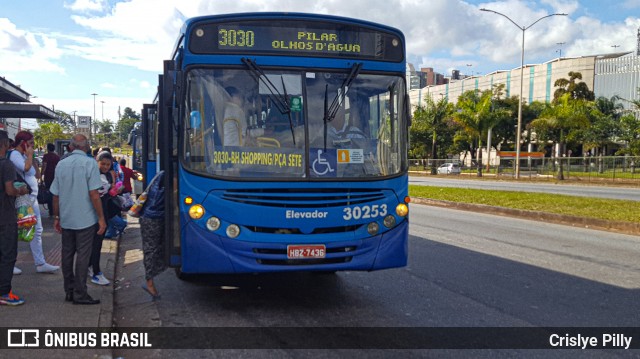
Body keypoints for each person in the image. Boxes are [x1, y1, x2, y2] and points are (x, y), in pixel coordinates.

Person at [50, 134, 106, 305]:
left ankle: (69, 290)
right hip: (86, 218)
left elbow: (55, 195)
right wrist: (101, 218)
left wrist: (57, 216)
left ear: (72, 146)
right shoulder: (90, 163)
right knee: (83, 255)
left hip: (67, 217)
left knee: (67, 254)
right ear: (86, 146)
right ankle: (80, 293)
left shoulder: (61, 164)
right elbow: (94, 194)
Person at [8, 131, 59, 274]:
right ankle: (8, 263)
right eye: (30, 143)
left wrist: (33, 158)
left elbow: (36, 173)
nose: (32, 146)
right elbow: (24, 168)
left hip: (32, 198)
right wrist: (30, 156)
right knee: (18, 231)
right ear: (22, 143)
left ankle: (40, 262)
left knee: (37, 230)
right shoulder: (14, 155)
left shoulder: (25, 155)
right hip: (22, 199)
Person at [0, 130, 30, 306]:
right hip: (5, 217)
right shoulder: (6, 165)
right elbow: (10, 190)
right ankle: (4, 292)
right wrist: (22, 190)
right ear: (4, 144)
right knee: (8, 255)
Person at [88, 151, 118, 286]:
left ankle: (91, 267)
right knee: (96, 243)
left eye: (108, 164)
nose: (105, 166)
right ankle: (96, 272)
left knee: (96, 243)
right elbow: (94, 196)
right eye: (103, 164)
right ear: (96, 162)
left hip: (104, 212)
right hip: (95, 214)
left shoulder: (107, 175)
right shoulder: (93, 175)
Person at [139, 171, 166, 300]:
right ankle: (149, 283)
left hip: (153, 216)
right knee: (151, 250)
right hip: (152, 218)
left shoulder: (162, 174)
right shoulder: (169, 175)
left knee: (156, 249)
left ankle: (150, 280)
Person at [41, 143, 60, 217]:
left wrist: (41, 174)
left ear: (48, 149)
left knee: (49, 193)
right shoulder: (57, 157)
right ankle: (56, 211)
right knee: (55, 194)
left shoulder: (46, 156)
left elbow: (44, 166)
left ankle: (51, 211)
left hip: (47, 177)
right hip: (55, 177)